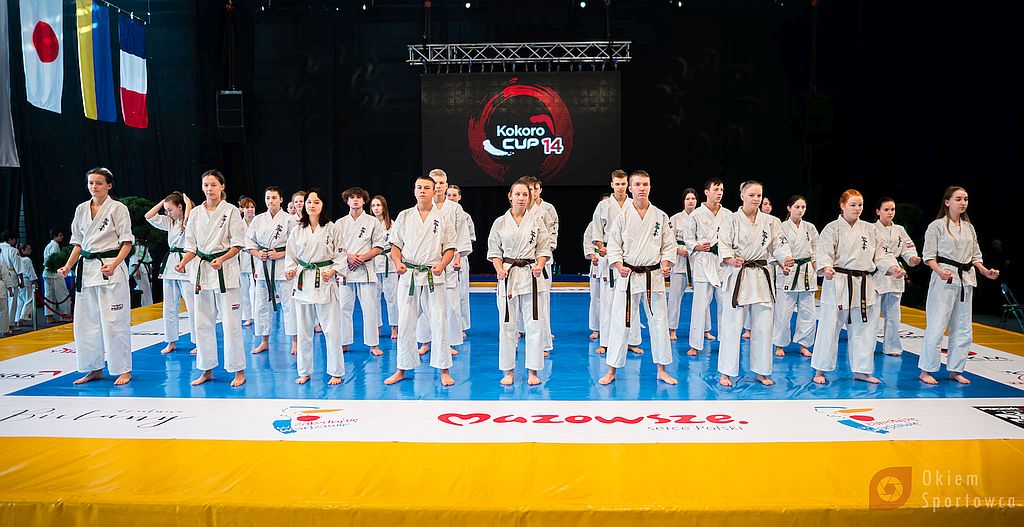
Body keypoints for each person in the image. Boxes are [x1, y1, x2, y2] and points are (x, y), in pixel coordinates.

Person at [811, 189, 904, 385]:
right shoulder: (832, 228)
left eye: (860, 205)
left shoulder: (870, 229)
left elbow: (883, 255)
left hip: (864, 284)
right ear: (842, 205)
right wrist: (826, 267)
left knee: (865, 329)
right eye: (852, 205)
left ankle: (862, 370)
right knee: (829, 327)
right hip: (838, 281)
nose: (857, 208)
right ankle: (820, 369)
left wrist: (893, 268)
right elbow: (824, 251)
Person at [599, 170, 678, 386]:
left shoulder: (661, 216)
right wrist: (618, 266)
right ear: (631, 188)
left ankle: (662, 370)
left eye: (645, 184)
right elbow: (613, 246)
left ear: (650, 187)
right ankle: (611, 370)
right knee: (620, 322)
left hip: (654, 275)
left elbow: (669, 246)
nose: (642, 188)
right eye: (637, 184)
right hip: (629, 275)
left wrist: (666, 263)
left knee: (659, 323)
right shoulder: (622, 217)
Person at [57, 168, 134, 385]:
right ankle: (94, 368)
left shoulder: (118, 208)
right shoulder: (81, 209)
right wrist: (67, 266)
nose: (94, 186)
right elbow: (78, 244)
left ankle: (123, 369)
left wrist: (114, 265)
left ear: (109, 185)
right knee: (86, 323)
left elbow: (127, 243)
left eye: (99, 183)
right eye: (91, 182)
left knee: (114, 322)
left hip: (110, 268)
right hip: (87, 271)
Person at [919, 186, 1000, 385]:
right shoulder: (936, 226)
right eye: (958, 199)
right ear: (947, 202)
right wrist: (939, 271)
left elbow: (975, 256)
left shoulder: (969, 227)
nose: (963, 202)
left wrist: (984, 271)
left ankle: (956, 370)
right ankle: (926, 370)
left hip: (966, 279)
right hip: (944, 280)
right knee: (937, 325)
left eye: (965, 199)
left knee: (963, 328)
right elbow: (928, 256)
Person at [174, 170, 248, 387]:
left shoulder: (231, 211)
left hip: (225, 272)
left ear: (222, 187)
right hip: (202, 271)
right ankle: (206, 369)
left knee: (231, 324)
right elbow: (191, 245)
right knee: (202, 323)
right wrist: (183, 262)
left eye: (214, 185)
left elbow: (238, 243)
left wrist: (222, 259)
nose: (209, 189)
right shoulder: (196, 213)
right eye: (206, 185)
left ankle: (238, 370)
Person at [716, 181, 794, 387]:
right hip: (739, 275)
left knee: (763, 326)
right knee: (732, 326)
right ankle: (726, 372)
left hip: (761, 276)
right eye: (751, 195)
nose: (756, 199)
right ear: (742, 195)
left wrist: (785, 258)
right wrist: (730, 259)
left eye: (759, 195)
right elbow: (724, 245)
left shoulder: (771, 221)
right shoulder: (731, 220)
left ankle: (762, 371)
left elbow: (779, 245)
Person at [385, 175, 457, 386]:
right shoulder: (404, 216)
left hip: (433, 276)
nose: (422, 191)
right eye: (419, 187)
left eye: (427, 187)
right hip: (409, 275)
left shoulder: (443, 218)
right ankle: (402, 368)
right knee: (405, 322)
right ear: (414, 191)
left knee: (439, 322)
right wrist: (397, 263)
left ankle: (444, 369)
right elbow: (395, 246)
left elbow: (450, 248)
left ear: (435, 191)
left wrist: (442, 265)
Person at [487, 180, 551, 386]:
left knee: (534, 325)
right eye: (518, 194)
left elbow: (544, 249)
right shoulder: (500, 222)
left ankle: (533, 371)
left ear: (529, 198)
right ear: (510, 196)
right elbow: (494, 251)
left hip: (531, 275)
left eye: (525, 195)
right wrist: (498, 269)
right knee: (507, 325)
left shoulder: (537, 222)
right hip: (508, 275)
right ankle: (508, 371)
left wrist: (540, 265)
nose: (522, 198)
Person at [285, 189, 347, 385]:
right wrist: (290, 270)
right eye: (309, 202)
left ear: (323, 205)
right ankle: (304, 371)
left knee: (331, 329)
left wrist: (334, 270)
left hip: (324, 281)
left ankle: (336, 371)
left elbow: (341, 254)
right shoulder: (297, 230)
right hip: (303, 282)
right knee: (303, 330)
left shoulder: (332, 228)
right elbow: (291, 255)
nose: (311, 205)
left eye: (316, 202)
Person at [415, 169, 471, 357]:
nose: (438, 186)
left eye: (441, 183)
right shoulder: (422, 207)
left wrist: (457, 259)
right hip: (426, 263)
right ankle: (425, 341)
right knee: (425, 304)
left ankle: (448, 342)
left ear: (446, 185)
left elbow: (462, 237)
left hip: (449, 263)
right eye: (435, 183)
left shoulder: (455, 209)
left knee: (450, 304)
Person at [592, 170, 642, 355]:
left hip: (629, 258)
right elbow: (596, 232)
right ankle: (605, 342)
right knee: (608, 301)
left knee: (631, 299)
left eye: (623, 184)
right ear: (612, 185)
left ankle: (632, 341)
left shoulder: (634, 204)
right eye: (617, 184)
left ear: (627, 185)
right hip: (609, 257)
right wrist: (601, 248)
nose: (620, 187)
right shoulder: (603, 206)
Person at [245, 186, 298, 355]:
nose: (270, 201)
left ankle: (295, 341)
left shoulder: (289, 219)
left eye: (274, 198)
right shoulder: (258, 219)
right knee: (261, 305)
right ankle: (264, 341)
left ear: (281, 199)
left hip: (283, 267)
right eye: (268, 198)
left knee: (289, 305)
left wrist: (280, 254)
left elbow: (297, 245)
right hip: (263, 267)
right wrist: (258, 254)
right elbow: (249, 243)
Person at [336, 187, 386, 356]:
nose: (355, 200)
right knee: (343, 308)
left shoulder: (372, 222)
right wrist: (349, 257)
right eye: (352, 197)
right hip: (345, 270)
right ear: (347, 201)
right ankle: (344, 342)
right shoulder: (340, 223)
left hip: (366, 270)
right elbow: (335, 248)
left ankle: (373, 344)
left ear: (364, 201)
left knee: (370, 309)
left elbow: (379, 247)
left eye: (359, 197)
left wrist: (362, 258)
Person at [145, 192, 197, 354]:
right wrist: (163, 201)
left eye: (170, 210)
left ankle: (198, 341)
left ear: (180, 207)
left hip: (186, 263)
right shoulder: (169, 222)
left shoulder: (190, 220)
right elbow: (149, 216)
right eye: (166, 210)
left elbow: (188, 216)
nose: (168, 213)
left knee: (192, 306)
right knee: (169, 307)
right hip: (170, 266)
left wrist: (188, 203)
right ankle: (171, 340)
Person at [683, 178, 727, 356]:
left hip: (722, 264)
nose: (719, 193)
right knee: (700, 305)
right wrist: (697, 246)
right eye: (716, 189)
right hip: (703, 263)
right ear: (707, 192)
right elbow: (688, 238)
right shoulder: (695, 215)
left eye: (721, 190)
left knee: (725, 304)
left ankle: (726, 341)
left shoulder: (728, 215)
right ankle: (695, 344)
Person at [873, 197, 922, 357]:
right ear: (878, 211)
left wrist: (911, 258)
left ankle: (892, 347)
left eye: (892, 209)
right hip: (877, 274)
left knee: (894, 315)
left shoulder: (899, 229)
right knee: (872, 315)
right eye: (886, 209)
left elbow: (908, 248)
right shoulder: (871, 229)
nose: (890, 212)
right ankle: (867, 347)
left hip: (896, 275)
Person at [773, 195, 819, 358]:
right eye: (797, 207)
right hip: (788, 272)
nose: (800, 210)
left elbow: (816, 251)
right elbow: (775, 250)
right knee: (783, 313)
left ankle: (804, 344)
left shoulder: (810, 227)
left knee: (808, 313)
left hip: (807, 273)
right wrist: (783, 264)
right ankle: (779, 344)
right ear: (789, 208)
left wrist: (818, 269)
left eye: (803, 207)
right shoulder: (781, 227)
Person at [668, 188, 704, 341]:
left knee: (702, 297)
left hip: (698, 261)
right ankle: (671, 329)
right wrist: (677, 249)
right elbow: (668, 240)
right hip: (679, 262)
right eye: (688, 198)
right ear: (683, 201)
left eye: (693, 199)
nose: (691, 201)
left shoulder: (702, 217)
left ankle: (705, 329)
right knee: (674, 297)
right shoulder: (675, 219)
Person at [446, 184, 475, 336]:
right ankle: (446, 325)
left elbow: (467, 239)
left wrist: (458, 255)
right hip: (443, 258)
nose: (451, 198)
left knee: (462, 293)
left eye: (454, 195)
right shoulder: (439, 212)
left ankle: (462, 326)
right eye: (449, 195)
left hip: (460, 257)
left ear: (459, 197)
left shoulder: (465, 216)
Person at [371, 195, 398, 340]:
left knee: (392, 298)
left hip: (389, 264)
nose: (376, 208)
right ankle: (377, 327)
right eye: (373, 205)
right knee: (374, 298)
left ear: (384, 207)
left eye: (378, 205)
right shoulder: (369, 224)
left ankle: (394, 327)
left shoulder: (392, 224)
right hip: (374, 263)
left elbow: (397, 244)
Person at [42, 230, 71, 323]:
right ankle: (65, 315)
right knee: (62, 294)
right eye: (60, 235)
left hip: (47, 273)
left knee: (49, 295)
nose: (62, 237)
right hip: (55, 273)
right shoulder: (54, 246)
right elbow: (55, 260)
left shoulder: (49, 245)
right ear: (55, 236)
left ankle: (49, 317)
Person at [237, 196, 257, 327]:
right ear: (241, 209)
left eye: (252, 207)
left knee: (255, 290)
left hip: (256, 258)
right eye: (247, 207)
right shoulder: (238, 224)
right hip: (242, 259)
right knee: (244, 291)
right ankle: (248, 316)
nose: (250, 209)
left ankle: (256, 315)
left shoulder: (259, 221)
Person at [1, 231, 21, 333]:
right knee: (12, 302)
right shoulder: (13, 250)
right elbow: (18, 266)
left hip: (3, 277)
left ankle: (5, 325)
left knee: (4, 304)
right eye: (14, 239)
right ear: (10, 239)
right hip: (10, 275)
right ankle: (10, 324)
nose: (15, 241)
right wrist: (21, 279)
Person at [15, 244, 37, 325]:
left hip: (19, 280)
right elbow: (30, 272)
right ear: (23, 250)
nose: (30, 250)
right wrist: (34, 281)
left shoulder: (17, 259)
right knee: (29, 299)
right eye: (28, 249)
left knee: (20, 301)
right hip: (26, 281)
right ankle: (22, 318)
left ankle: (17, 318)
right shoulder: (27, 260)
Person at [128, 242, 154, 306]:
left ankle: (148, 304)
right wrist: (137, 270)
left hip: (143, 266)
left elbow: (147, 256)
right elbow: (133, 256)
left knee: (146, 287)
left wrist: (149, 268)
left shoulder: (145, 243)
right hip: (138, 267)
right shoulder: (136, 244)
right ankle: (145, 304)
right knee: (142, 287)